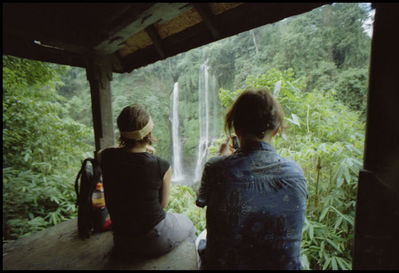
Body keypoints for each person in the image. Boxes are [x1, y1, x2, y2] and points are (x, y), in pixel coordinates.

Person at [195, 88, 308, 269]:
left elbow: (201, 200)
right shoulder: (295, 173)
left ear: (236, 128)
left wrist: (220, 158)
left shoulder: (216, 168)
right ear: (277, 129)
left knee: (201, 237)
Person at [99, 104, 195, 258]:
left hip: (122, 239)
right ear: (149, 133)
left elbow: (104, 152)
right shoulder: (161, 165)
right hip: (153, 240)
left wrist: (127, 147)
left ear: (122, 134)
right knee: (189, 225)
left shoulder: (106, 157)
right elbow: (162, 205)